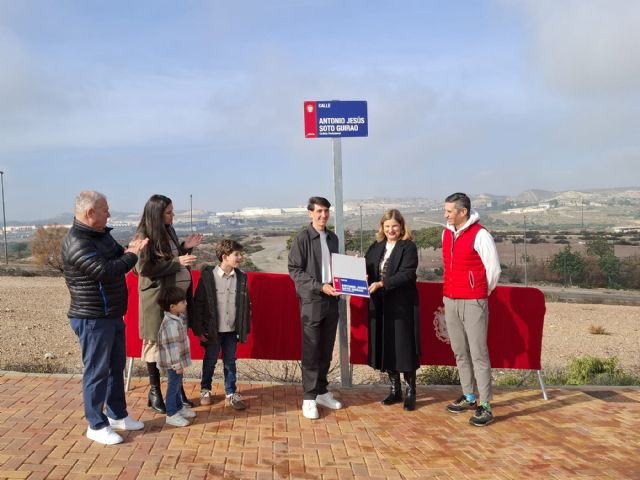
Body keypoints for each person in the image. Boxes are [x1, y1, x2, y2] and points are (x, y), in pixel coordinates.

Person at [62, 190, 148, 445]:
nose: (109, 214)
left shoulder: (101, 235)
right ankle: (96, 425)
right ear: (90, 212)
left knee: (115, 368)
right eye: (105, 210)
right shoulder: (77, 241)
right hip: (92, 317)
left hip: (111, 314)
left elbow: (119, 254)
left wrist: (130, 250)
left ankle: (117, 415)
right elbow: (106, 271)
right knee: (97, 372)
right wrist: (133, 254)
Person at [135, 194, 203, 413]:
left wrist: (185, 247)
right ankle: (155, 391)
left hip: (175, 302)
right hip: (157, 301)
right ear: (157, 213)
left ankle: (176, 391)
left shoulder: (169, 231)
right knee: (156, 344)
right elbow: (143, 268)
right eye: (169, 212)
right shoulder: (144, 235)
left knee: (176, 346)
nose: (172, 216)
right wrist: (177, 261)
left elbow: (172, 259)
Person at [442, 192, 501, 426]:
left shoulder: (481, 235)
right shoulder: (446, 233)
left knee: (478, 353)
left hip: (474, 300)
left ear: (463, 212)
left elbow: (493, 270)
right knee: (459, 351)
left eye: (449, 211)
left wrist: (479, 292)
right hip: (450, 299)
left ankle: (485, 405)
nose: (445, 215)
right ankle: (468, 396)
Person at [288, 196, 343, 420]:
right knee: (311, 349)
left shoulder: (333, 238)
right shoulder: (302, 238)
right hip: (312, 300)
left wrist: (352, 276)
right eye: (319, 211)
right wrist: (320, 286)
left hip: (332, 300)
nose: (323, 215)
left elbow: (337, 267)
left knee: (326, 349)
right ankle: (309, 398)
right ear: (310, 213)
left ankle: (321, 391)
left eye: (326, 211)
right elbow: (295, 270)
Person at [365, 209, 420, 411]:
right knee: (386, 344)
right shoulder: (376, 246)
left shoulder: (408, 247)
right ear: (382, 227)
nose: (391, 230)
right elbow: (367, 268)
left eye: (394, 226)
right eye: (387, 226)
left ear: (402, 227)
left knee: (404, 346)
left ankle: (411, 392)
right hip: (379, 304)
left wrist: (382, 283)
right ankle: (395, 390)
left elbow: (407, 274)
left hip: (401, 305)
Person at [192, 239, 251, 410]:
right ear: (225, 256)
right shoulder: (208, 277)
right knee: (210, 360)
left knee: (230, 361)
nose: (240, 258)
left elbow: (245, 305)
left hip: (232, 330)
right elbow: (198, 304)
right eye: (236, 254)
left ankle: (231, 393)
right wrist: (199, 330)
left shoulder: (241, 277)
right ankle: (205, 389)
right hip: (212, 330)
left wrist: (243, 328)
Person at [157, 286, 197, 427]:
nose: (186, 303)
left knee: (178, 384)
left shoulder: (178, 318)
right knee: (173, 387)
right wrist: (177, 365)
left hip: (177, 362)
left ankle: (179, 407)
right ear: (172, 307)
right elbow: (172, 347)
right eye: (182, 302)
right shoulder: (170, 324)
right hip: (173, 363)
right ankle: (171, 414)